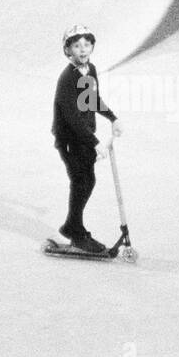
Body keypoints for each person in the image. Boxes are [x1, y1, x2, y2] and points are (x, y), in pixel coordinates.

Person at [52, 25, 122, 253]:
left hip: (84, 136)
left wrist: (113, 118)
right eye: (76, 45)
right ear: (68, 50)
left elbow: (92, 99)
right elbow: (72, 118)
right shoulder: (67, 79)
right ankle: (75, 230)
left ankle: (72, 226)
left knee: (86, 181)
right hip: (70, 139)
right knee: (82, 181)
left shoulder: (90, 69)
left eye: (86, 44)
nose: (82, 49)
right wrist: (95, 142)